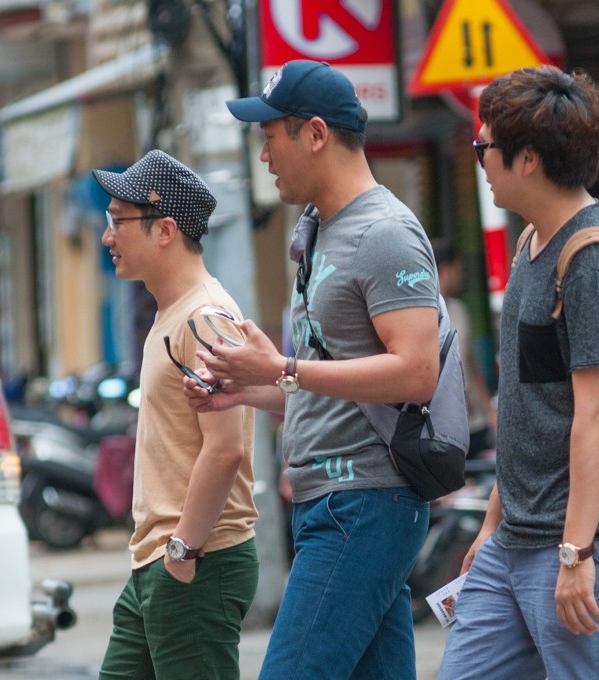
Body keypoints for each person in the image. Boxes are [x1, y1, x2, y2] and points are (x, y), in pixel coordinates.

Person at [184, 59, 440, 679]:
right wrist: (250, 387)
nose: (263, 153)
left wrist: (284, 368)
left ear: (316, 134)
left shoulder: (385, 232)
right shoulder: (318, 233)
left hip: (366, 501)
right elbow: (331, 382)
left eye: (271, 135)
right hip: (332, 502)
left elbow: (416, 371)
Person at [437, 65, 599, 679]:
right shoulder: (534, 242)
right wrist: (492, 525)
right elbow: (530, 405)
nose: (478, 159)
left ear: (527, 159)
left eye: (485, 148)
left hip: (585, 543)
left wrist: (577, 551)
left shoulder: (593, 261)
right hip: (515, 541)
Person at [94, 150, 259, 679]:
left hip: (197, 559)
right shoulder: (172, 312)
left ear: (165, 230)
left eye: (118, 221)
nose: (107, 237)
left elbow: (225, 446)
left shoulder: (205, 318)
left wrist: (183, 551)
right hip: (159, 560)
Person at [432, 239, 497, 456]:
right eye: (458, 270)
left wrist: (489, 410)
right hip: (444, 425)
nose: (461, 277)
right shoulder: (426, 313)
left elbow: (469, 360)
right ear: (445, 269)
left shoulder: (460, 310)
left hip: (475, 420)